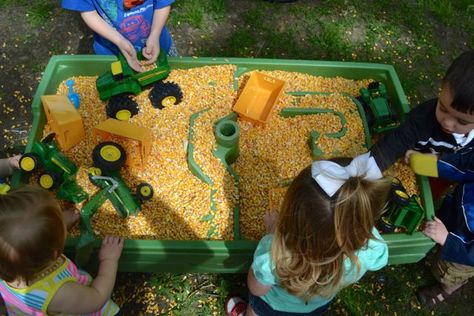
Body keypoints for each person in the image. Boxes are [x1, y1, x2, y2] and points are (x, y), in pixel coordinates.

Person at [369, 50, 474, 307]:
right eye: (442, 108)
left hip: (468, 249)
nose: (447, 123)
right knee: (443, 216)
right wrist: (424, 162)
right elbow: (463, 168)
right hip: (461, 201)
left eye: (460, 121)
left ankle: (448, 287)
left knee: (451, 268)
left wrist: (449, 241)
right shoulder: (428, 118)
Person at [225, 153, 391, 315]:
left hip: (272, 307)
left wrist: (272, 233)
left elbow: (257, 288)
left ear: (290, 219)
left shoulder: (274, 253)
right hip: (315, 307)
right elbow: (378, 258)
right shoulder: (372, 249)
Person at [0, 185, 123, 315]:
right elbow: (97, 297)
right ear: (54, 254)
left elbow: (24, 236)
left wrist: (57, 225)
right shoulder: (60, 294)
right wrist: (109, 260)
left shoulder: (8, 264)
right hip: (81, 304)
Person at [61, 0, 177, 72]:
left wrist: (155, 34)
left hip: (160, 44)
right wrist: (119, 41)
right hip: (112, 51)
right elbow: (89, 13)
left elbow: (163, 3)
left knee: (176, 75)